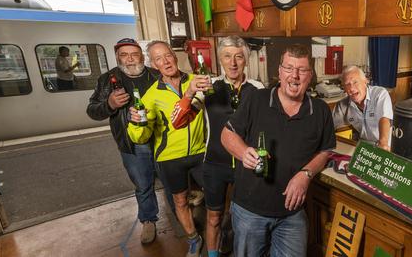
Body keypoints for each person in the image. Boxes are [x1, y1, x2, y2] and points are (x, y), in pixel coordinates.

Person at [221, 44, 335, 257]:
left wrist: (306, 174)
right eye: (289, 68)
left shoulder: (320, 111)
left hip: (292, 215)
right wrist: (243, 152)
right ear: (280, 72)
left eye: (302, 70)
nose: (295, 76)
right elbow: (227, 134)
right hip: (249, 211)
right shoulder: (257, 99)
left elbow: (325, 150)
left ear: (310, 75)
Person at [128, 40, 209, 257]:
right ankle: (194, 239)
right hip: (170, 157)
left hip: (200, 151)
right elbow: (140, 137)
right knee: (180, 201)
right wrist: (137, 122)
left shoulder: (196, 81)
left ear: (174, 56)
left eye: (167, 55)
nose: (165, 61)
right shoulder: (151, 95)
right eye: (158, 59)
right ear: (153, 65)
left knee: (214, 194)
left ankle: (217, 232)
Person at [86, 38, 160, 244]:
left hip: (162, 139)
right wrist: (109, 104)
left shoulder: (156, 75)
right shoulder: (107, 80)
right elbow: (92, 110)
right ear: (118, 57)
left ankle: (180, 215)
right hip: (132, 143)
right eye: (124, 55)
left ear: (142, 57)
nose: (129, 59)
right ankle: (148, 220)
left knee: (172, 182)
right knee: (143, 184)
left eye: (134, 54)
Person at [203, 36, 264, 257]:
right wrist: (190, 91)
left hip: (243, 163)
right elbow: (181, 118)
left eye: (239, 57)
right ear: (220, 59)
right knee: (214, 216)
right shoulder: (209, 87)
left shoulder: (257, 88)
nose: (233, 63)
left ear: (246, 60)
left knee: (245, 217)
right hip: (215, 163)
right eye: (227, 56)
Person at [332, 65, 394, 151]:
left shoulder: (380, 94)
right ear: (344, 88)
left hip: (383, 145)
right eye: (347, 84)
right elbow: (336, 130)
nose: (352, 88)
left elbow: (384, 119)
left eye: (355, 82)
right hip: (360, 147)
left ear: (365, 81)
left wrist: (383, 143)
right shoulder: (341, 106)